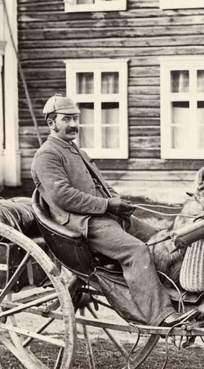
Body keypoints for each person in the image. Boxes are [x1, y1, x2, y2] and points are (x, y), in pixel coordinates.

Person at [31, 94, 189, 327]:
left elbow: (101, 186)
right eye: (67, 119)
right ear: (51, 123)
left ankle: (175, 294)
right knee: (137, 251)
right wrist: (107, 205)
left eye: (76, 118)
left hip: (104, 215)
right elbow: (63, 197)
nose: (74, 124)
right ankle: (162, 315)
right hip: (81, 224)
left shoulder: (76, 151)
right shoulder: (47, 155)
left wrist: (116, 201)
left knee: (164, 239)